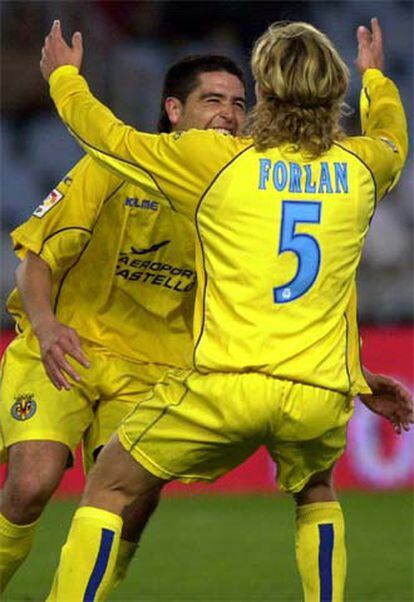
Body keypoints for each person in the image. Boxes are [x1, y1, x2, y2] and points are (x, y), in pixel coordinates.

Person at [39, 17, 411, 601]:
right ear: (333, 92)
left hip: (226, 387)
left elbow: (110, 139)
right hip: (315, 392)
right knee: (316, 490)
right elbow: (393, 134)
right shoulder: (366, 166)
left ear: (262, 93)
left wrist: (64, 79)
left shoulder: (216, 162)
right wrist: (377, 81)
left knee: (109, 485)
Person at [0, 54, 247, 594]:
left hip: (156, 368)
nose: (229, 114)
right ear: (173, 110)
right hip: (67, 346)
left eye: (238, 104)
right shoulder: (110, 166)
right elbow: (34, 259)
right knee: (31, 484)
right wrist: (44, 327)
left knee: (129, 503)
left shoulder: (238, 198)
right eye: (214, 100)